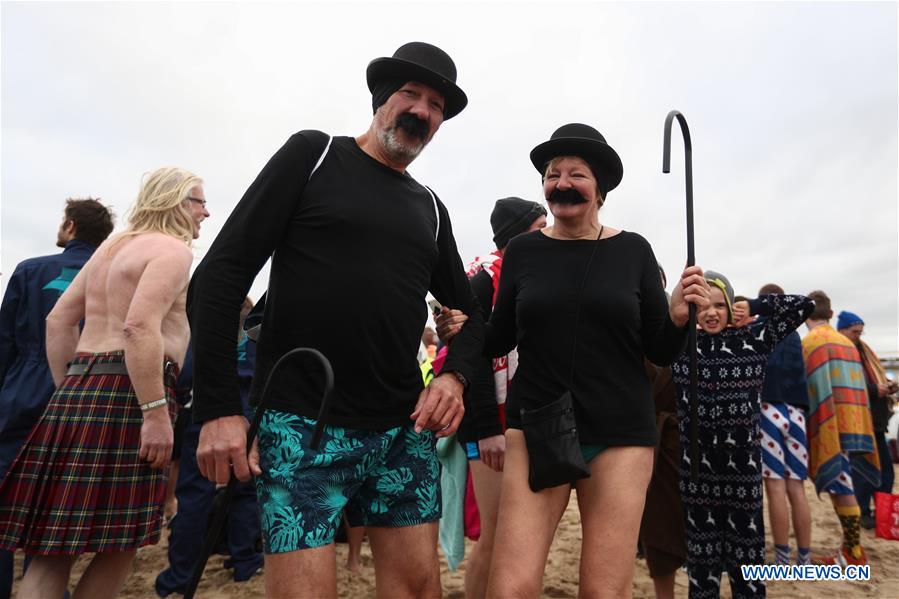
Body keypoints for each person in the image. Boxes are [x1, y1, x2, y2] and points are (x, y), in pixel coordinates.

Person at [187, 41, 484, 598]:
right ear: (381, 99)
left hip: (402, 429)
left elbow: (473, 316)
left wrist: (454, 374)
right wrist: (219, 408)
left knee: (420, 591)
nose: (423, 112)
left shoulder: (431, 207)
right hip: (304, 424)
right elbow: (221, 276)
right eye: (411, 95)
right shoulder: (315, 155)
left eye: (437, 106)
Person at [438, 123, 710, 597]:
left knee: (604, 589)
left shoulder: (634, 250)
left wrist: (678, 317)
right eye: (552, 174)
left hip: (620, 430)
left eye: (576, 174)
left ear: (599, 189)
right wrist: (463, 330)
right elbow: (498, 338)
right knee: (513, 585)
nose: (561, 183)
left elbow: (660, 348)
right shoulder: (522, 251)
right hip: (537, 422)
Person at [0, 167, 207, 598]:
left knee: (52, 549)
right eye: (199, 201)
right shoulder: (172, 251)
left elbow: (57, 321)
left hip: (79, 387)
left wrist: (68, 390)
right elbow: (137, 327)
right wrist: (153, 412)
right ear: (175, 202)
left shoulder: (111, 248)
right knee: (120, 543)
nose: (205, 212)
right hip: (133, 394)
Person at [672, 272, 813, 598]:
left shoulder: (755, 338)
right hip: (697, 472)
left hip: (743, 470)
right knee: (702, 567)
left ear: (732, 306)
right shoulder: (679, 344)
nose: (710, 313)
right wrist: (676, 308)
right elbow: (646, 329)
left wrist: (753, 304)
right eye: (702, 305)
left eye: (720, 305)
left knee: (746, 563)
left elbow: (805, 306)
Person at [0, 197, 114, 597]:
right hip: (87, 396)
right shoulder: (114, 273)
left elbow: (5, 343)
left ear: (69, 227)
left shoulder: (30, 270)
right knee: (53, 505)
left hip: (22, 391)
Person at [458, 196, 547, 598]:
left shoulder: (539, 273)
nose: (547, 234)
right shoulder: (482, 278)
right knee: (493, 536)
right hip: (489, 422)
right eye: (538, 228)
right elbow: (470, 357)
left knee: (523, 539)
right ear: (513, 237)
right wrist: (486, 431)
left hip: (530, 416)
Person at [802, 290, 880, 567]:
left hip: (830, 422)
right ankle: (851, 548)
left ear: (805, 315)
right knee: (843, 483)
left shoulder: (810, 343)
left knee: (841, 485)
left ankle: (853, 551)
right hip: (856, 420)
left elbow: (811, 390)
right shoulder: (847, 343)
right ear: (831, 314)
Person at [753, 283, 814, 566]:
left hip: (769, 409)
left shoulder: (760, 330)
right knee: (797, 488)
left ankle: (781, 556)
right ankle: (804, 556)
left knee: (775, 487)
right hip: (797, 413)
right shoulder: (796, 335)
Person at [638, 265, 687, 599]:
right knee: (657, 527)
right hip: (641, 435)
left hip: (682, 437)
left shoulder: (681, 321)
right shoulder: (624, 322)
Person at [836, 310, 898, 529]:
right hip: (859, 422)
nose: (858, 336)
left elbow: (871, 376)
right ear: (842, 330)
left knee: (885, 471)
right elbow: (846, 386)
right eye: (855, 332)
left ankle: (883, 514)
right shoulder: (842, 351)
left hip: (877, 422)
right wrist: (875, 390)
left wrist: (889, 385)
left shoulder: (864, 351)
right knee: (862, 469)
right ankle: (863, 512)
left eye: (861, 332)